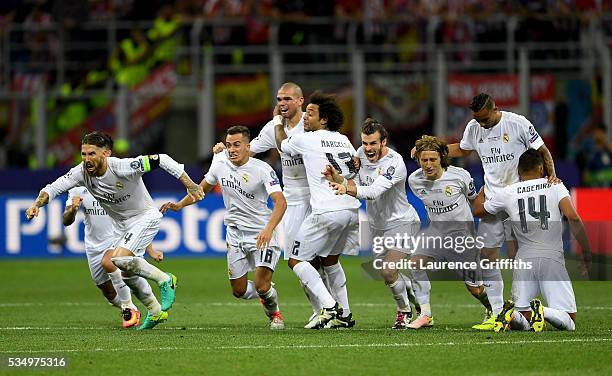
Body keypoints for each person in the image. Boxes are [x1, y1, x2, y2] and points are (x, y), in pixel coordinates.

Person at [25, 131, 204, 330]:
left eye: (92, 154)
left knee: (117, 260)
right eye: (83, 154)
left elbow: (161, 159)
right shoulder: (80, 173)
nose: (86, 159)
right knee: (127, 275)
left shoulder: (123, 167)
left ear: (106, 153)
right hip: (122, 226)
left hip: (144, 217)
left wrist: (191, 186)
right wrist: (36, 205)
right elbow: (53, 188)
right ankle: (155, 312)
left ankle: (165, 279)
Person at [412, 93, 558, 330]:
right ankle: (499, 314)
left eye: (485, 119)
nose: (482, 124)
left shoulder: (517, 123)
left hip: (517, 199)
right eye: (477, 120)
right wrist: (429, 152)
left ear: (495, 109)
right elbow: (462, 148)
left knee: (518, 257)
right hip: (492, 198)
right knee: (488, 257)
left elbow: (542, 150)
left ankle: (527, 308)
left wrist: (551, 174)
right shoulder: (474, 127)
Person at [213, 82, 332, 326]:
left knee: (325, 259)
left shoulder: (309, 127)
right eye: (279, 99)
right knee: (300, 258)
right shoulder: (271, 128)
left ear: (300, 101)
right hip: (295, 199)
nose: (282, 103)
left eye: (288, 99)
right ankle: (323, 308)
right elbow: (248, 151)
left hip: (320, 197)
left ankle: (334, 308)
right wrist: (224, 154)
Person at [161, 126, 287, 330]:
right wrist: (179, 204)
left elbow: (280, 202)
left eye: (237, 145)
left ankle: (275, 314)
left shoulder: (263, 169)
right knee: (238, 291)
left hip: (261, 234)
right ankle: (266, 292)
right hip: (234, 234)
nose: (232, 149)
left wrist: (268, 229)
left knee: (261, 286)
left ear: (248, 146)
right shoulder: (220, 165)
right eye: (229, 145)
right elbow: (200, 190)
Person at [472, 149, 591, 332]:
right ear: (542, 168)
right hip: (552, 258)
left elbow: (478, 211)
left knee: (524, 318)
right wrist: (586, 250)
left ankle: (511, 314)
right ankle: (542, 310)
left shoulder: (508, 192)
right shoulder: (555, 185)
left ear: (519, 172)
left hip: (524, 260)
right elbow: (573, 218)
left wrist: (484, 189)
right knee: (569, 319)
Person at [325, 118, 421, 329]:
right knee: (387, 274)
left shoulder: (394, 163)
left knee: (388, 271)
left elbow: (373, 192)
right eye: (365, 143)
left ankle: (404, 312)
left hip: (402, 221)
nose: (367, 149)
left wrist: (346, 189)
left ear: (383, 142)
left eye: (373, 144)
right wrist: (339, 178)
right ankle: (415, 298)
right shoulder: (359, 154)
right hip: (378, 225)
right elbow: (355, 183)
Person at [275, 90, 360, 329]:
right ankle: (345, 314)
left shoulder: (307, 139)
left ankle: (329, 306)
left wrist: (277, 122)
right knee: (330, 260)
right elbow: (354, 169)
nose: (305, 117)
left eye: (310, 113)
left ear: (323, 119)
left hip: (326, 210)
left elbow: (283, 145)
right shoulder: (344, 139)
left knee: (295, 259)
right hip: (351, 209)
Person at [404, 135, 492, 329]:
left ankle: (493, 308)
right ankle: (426, 314)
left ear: (441, 159)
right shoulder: (415, 180)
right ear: (418, 160)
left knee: (476, 289)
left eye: (433, 160)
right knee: (416, 263)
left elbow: (474, 200)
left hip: (461, 235)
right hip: (436, 232)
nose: (428, 165)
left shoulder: (460, 176)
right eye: (424, 160)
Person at [63, 186, 163, 328]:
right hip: (94, 246)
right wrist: (72, 209)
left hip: (117, 239)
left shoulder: (115, 182)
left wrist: (150, 249)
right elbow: (66, 221)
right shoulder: (78, 187)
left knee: (109, 262)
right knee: (108, 292)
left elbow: (137, 220)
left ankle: (129, 308)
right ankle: (129, 306)